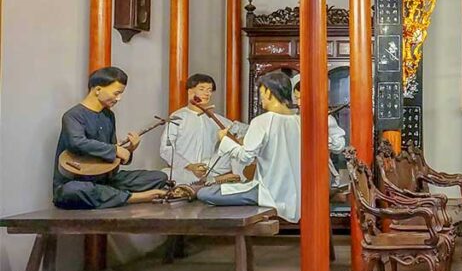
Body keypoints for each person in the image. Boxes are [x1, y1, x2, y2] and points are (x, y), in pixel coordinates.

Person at [52, 66, 169, 209]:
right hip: (77, 182)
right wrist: (115, 150)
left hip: (105, 179)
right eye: (116, 93)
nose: (118, 98)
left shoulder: (108, 116)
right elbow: (76, 143)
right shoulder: (73, 115)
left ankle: (113, 195)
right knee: (73, 191)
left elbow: (112, 154)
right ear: (98, 90)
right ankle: (131, 197)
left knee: (159, 177)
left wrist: (129, 150)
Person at [196, 71, 301, 222]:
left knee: (205, 194)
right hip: (294, 193)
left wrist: (224, 140)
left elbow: (246, 157)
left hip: (269, 191)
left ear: (269, 92)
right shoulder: (299, 121)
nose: (261, 99)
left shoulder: (262, 121)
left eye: (262, 93)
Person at [160, 73, 247, 184]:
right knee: (165, 175)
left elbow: (241, 130)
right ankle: (210, 182)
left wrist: (241, 139)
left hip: (210, 168)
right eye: (202, 89)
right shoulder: (177, 117)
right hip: (185, 169)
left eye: (210, 90)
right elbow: (166, 149)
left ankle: (209, 181)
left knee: (234, 149)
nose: (207, 93)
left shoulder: (216, 118)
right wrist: (190, 166)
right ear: (190, 92)